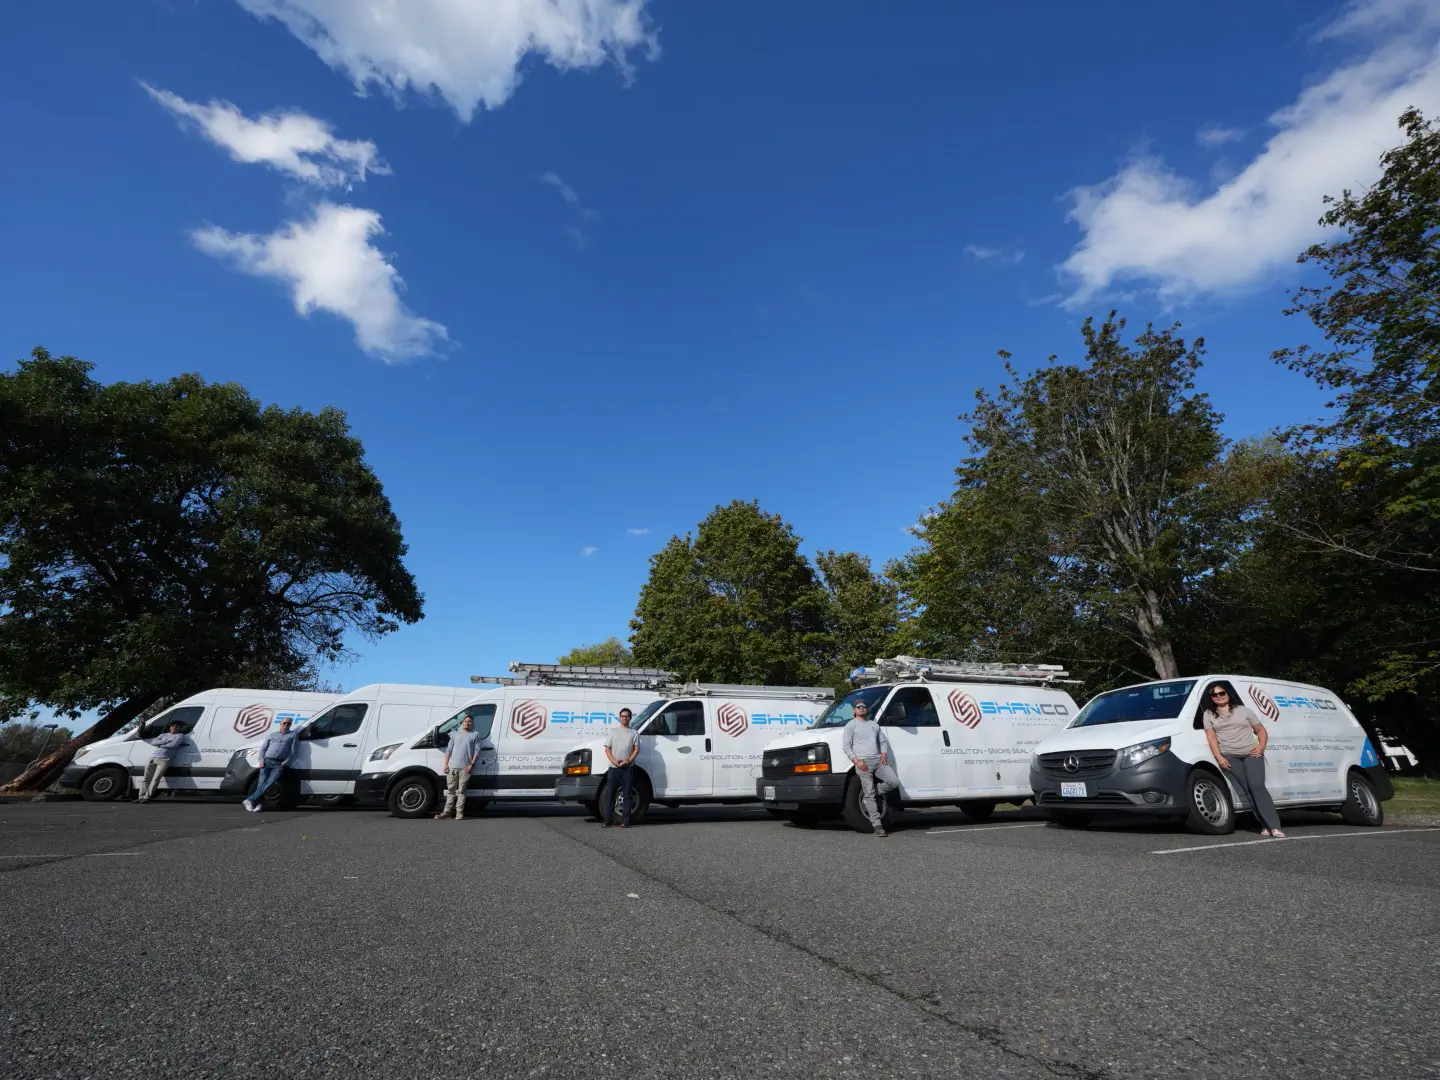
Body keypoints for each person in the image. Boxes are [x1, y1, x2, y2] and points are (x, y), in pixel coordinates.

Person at [1202, 682, 1285, 838]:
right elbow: (1211, 737)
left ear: (1228, 694)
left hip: (1251, 754)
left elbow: (1260, 730)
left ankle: (1275, 826)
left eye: (1222, 693)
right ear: (1211, 698)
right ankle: (1264, 825)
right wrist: (1219, 757)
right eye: (1215, 694)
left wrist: (1261, 747)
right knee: (1247, 790)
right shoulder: (1208, 714)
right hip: (1230, 756)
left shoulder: (1243, 710)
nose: (1219, 696)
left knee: (1257, 786)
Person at [842, 701, 899, 837]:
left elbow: (883, 741)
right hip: (863, 763)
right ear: (854, 711)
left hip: (878, 760)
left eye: (864, 706)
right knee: (869, 795)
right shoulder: (851, 725)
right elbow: (846, 746)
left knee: (894, 782)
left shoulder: (874, 725)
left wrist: (884, 754)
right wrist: (856, 761)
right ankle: (877, 826)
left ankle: (876, 790)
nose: (862, 709)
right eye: (859, 707)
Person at [243, 717, 297, 813]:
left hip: (278, 764)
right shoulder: (272, 735)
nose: (286, 725)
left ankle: (250, 799)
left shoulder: (293, 735)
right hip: (266, 761)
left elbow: (292, 751)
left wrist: (286, 761)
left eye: (288, 724)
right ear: (280, 724)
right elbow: (263, 748)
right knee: (261, 784)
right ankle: (259, 805)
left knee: (270, 783)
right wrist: (261, 760)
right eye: (284, 723)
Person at [435, 714, 482, 820]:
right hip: (453, 767)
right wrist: (446, 765)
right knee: (450, 790)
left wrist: (472, 764)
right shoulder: (454, 734)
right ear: (462, 723)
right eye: (465, 721)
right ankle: (447, 811)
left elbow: (477, 750)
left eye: (469, 721)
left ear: (472, 724)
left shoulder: (475, 735)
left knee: (461, 791)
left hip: (466, 768)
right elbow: (449, 750)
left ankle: (459, 812)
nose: (467, 723)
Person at [136, 721, 193, 802]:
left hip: (164, 760)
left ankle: (147, 797)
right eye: (173, 726)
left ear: (180, 728)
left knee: (155, 779)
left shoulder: (180, 736)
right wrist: (166, 742)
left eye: (177, 727)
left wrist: (160, 744)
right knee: (146, 778)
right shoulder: (163, 734)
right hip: (153, 758)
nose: (174, 728)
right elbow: (154, 742)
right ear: (170, 727)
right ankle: (140, 797)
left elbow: (173, 745)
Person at [601, 708, 639, 828]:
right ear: (619, 717)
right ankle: (608, 820)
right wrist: (614, 761)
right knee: (611, 794)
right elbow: (607, 749)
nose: (625, 718)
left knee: (627, 794)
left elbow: (636, 749)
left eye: (627, 716)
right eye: (623, 716)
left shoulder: (634, 732)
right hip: (614, 768)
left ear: (630, 718)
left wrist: (628, 760)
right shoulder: (613, 731)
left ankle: (625, 821)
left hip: (627, 768)